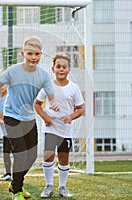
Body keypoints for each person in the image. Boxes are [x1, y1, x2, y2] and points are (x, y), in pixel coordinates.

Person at [0, 36, 60, 200]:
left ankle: (15, 184)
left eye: (37, 54)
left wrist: (53, 103)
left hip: (29, 118)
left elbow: (51, 95)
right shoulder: (13, 71)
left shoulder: (43, 75)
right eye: (30, 54)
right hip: (11, 116)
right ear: (23, 54)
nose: (34, 57)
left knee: (32, 156)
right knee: (20, 154)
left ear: (41, 55)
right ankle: (18, 192)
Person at [34, 52, 85, 198]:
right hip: (50, 128)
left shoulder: (73, 88)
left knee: (63, 158)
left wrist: (71, 116)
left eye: (64, 67)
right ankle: (48, 186)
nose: (61, 69)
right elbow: (37, 104)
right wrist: (45, 117)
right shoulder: (47, 86)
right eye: (58, 66)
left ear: (68, 69)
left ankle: (63, 187)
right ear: (53, 69)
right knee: (48, 155)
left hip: (66, 130)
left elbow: (81, 109)